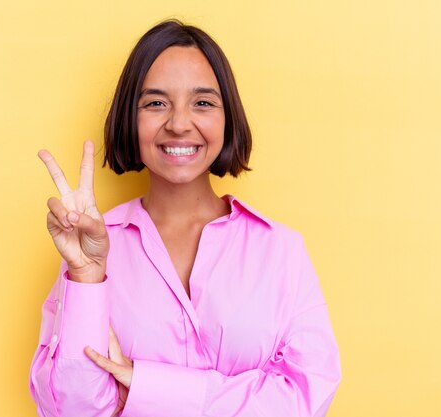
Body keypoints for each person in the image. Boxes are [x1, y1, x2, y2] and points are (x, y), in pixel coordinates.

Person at [29, 19, 341, 417]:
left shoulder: (280, 250)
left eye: (203, 102)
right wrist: (87, 277)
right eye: (156, 103)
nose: (178, 123)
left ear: (228, 118)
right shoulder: (90, 248)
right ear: (131, 116)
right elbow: (71, 410)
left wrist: (145, 389)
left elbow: (305, 399)